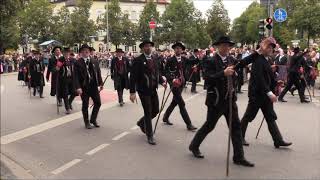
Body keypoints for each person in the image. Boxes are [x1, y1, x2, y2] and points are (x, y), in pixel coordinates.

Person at [188, 36, 254, 167]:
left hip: (230, 100)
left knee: (236, 128)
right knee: (209, 125)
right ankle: (194, 146)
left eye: (229, 45)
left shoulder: (232, 59)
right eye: (224, 45)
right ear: (218, 47)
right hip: (216, 101)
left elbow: (243, 62)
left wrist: (257, 52)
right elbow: (207, 78)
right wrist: (223, 73)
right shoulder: (210, 60)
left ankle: (239, 157)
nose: (227, 48)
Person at [238, 37, 292, 149]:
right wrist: (269, 93)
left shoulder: (267, 60)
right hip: (257, 95)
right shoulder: (258, 60)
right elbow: (259, 79)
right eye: (269, 47)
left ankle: (278, 140)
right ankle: (239, 137)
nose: (271, 50)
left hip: (265, 96)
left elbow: (269, 76)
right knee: (248, 116)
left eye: (272, 48)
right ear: (264, 48)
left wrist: (277, 81)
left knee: (270, 117)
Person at [129, 40, 167, 145]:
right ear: (142, 48)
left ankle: (141, 122)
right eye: (146, 46)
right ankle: (149, 135)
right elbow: (133, 77)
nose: (148, 48)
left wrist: (162, 81)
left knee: (155, 110)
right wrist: (132, 92)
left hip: (153, 89)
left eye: (150, 46)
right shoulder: (138, 60)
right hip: (143, 90)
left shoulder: (155, 58)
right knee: (148, 111)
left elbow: (156, 73)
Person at [162, 42, 197, 131]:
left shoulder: (184, 59)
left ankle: (165, 117)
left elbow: (193, 62)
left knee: (174, 102)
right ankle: (189, 124)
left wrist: (199, 57)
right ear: (174, 50)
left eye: (180, 48)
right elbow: (165, 71)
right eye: (176, 48)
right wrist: (171, 79)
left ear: (182, 50)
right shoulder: (170, 60)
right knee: (181, 103)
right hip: (174, 84)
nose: (178, 50)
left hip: (181, 83)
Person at [74, 44, 103, 129]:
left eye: (87, 50)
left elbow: (98, 73)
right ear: (81, 53)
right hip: (84, 87)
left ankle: (93, 119)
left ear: (89, 52)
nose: (86, 51)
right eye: (84, 50)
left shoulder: (94, 61)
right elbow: (75, 77)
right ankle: (86, 122)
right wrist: (78, 87)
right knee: (85, 104)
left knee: (98, 103)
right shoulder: (77, 63)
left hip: (93, 86)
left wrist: (100, 84)